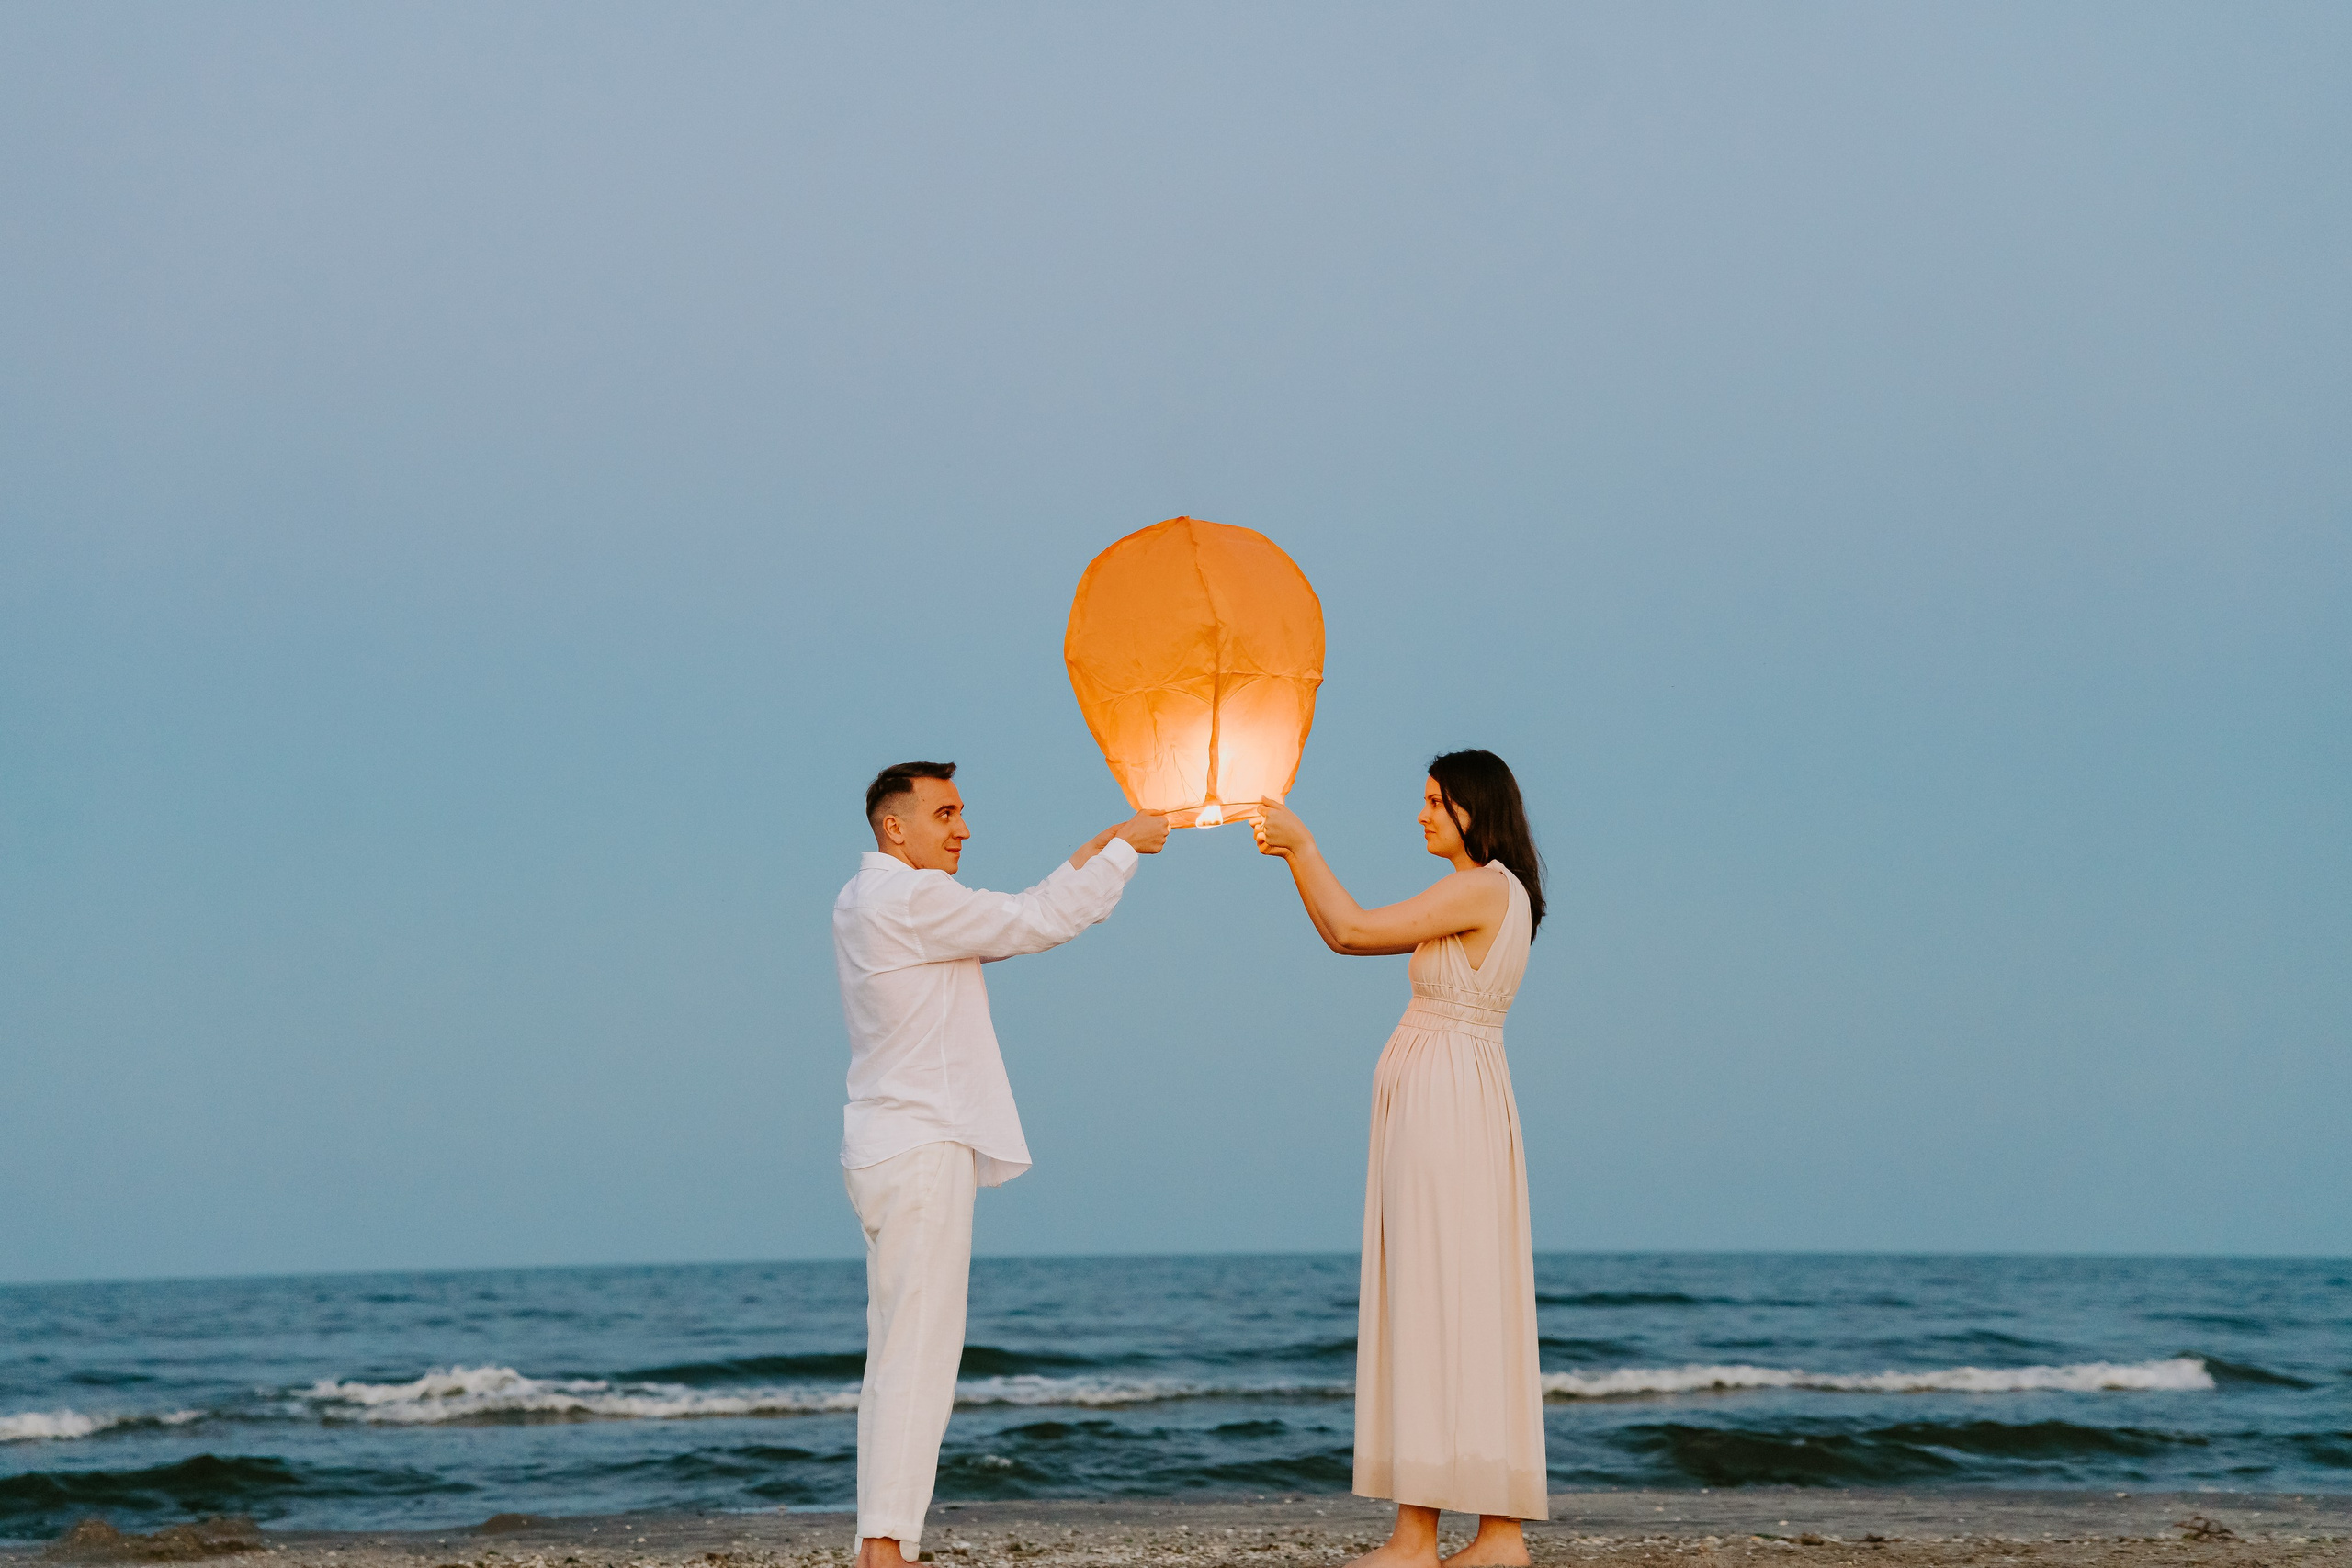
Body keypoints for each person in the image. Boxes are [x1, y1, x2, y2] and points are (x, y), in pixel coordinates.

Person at [834, 761, 1169, 1568]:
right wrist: (1128, 850)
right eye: (946, 812)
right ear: (894, 826)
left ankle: (884, 1543)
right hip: (921, 1147)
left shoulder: (866, 898)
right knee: (920, 1355)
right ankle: (886, 1552)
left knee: (897, 1354)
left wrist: (1091, 856)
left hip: (886, 1145)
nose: (963, 828)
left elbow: (1005, 927)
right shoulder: (909, 898)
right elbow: (1028, 923)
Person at [1254, 750, 1549, 1568]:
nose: (1419, 814)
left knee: (1430, 1300)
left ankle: (1422, 1537)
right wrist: (1293, 859)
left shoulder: (1484, 886)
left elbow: (1350, 931)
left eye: (1433, 801)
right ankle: (1494, 1535)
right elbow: (1339, 932)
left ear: (1472, 809)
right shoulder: (1494, 891)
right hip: (1453, 1103)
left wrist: (1301, 846)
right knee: (1459, 1304)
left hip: (1448, 1111)